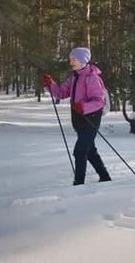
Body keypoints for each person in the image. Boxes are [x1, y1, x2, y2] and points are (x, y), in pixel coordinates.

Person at [41, 47, 112, 185]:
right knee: (90, 150)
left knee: (80, 151)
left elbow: (99, 101)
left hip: (91, 120)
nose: (71, 62)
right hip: (79, 120)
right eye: (70, 60)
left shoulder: (92, 79)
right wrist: (50, 84)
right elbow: (61, 93)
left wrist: (83, 107)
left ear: (83, 60)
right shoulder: (74, 78)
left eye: (74, 59)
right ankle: (105, 178)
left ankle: (79, 184)